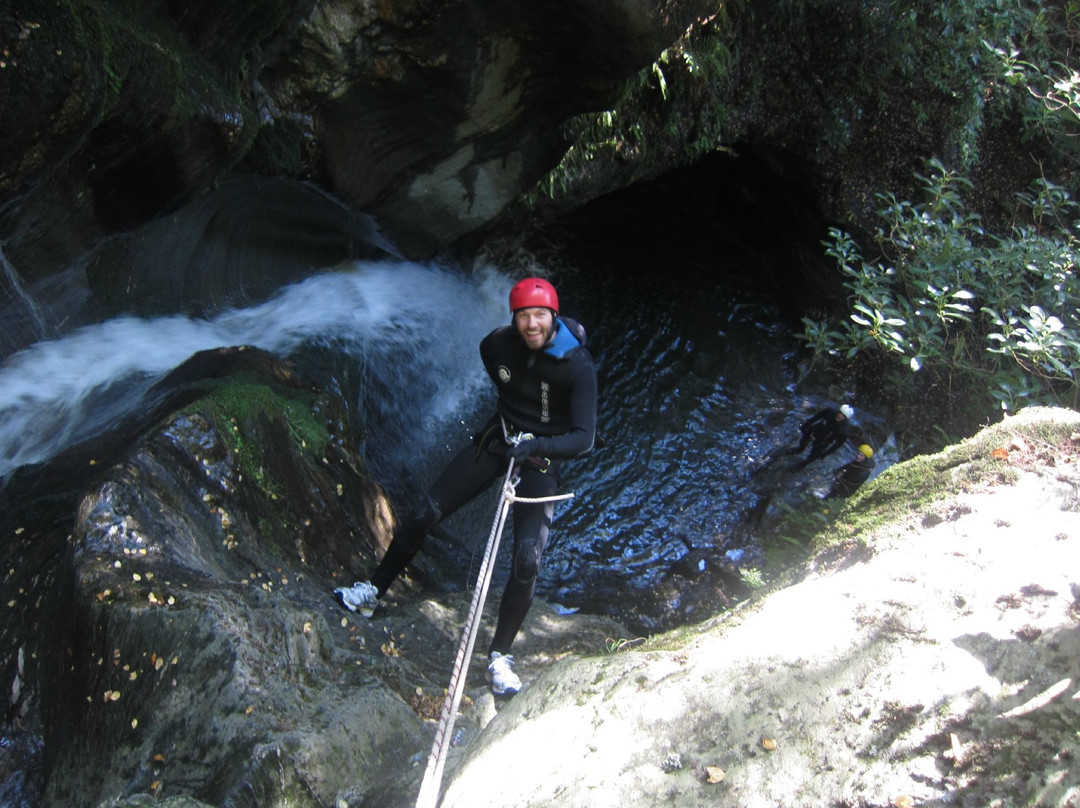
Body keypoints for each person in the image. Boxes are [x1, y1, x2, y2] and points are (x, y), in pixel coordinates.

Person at [334, 277, 597, 696]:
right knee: (423, 514)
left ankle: (500, 656)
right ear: (514, 320)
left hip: (540, 455)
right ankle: (371, 592)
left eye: (540, 316)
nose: (532, 324)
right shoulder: (496, 346)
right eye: (524, 316)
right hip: (499, 440)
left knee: (528, 558)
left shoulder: (577, 366)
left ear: (554, 318)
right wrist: (511, 427)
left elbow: (583, 438)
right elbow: (501, 376)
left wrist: (538, 443)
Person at [786, 403, 853, 470]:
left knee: (811, 458)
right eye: (840, 412)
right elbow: (816, 417)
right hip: (814, 431)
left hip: (823, 442)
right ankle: (799, 449)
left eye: (843, 416)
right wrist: (805, 426)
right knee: (802, 443)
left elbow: (836, 445)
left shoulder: (844, 431)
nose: (840, 415)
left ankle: (800, 466)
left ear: (846, 418)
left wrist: (825, 453)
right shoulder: (830, 412)